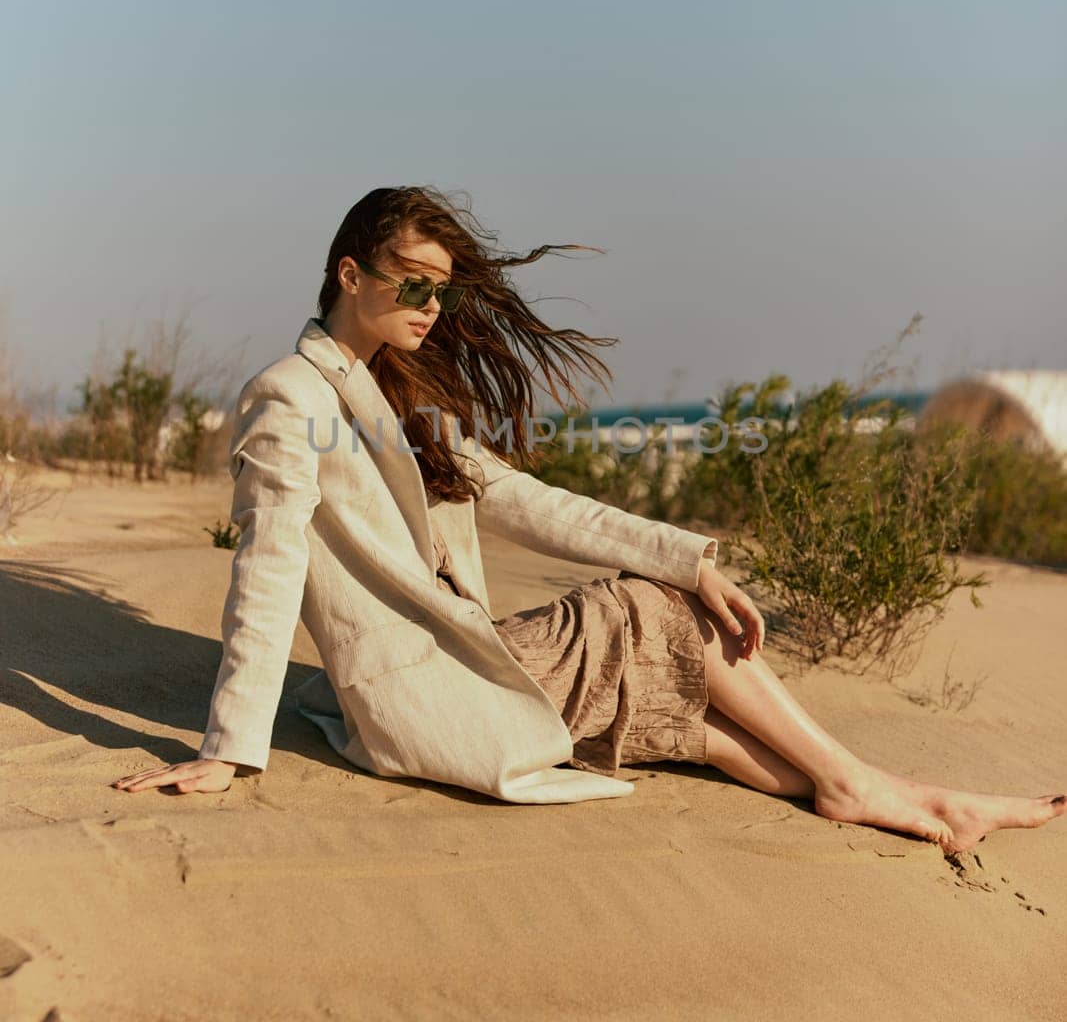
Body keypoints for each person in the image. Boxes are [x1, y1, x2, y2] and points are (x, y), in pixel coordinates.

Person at [115, 187, 1065, 852]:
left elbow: (524, 501)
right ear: (349, 272)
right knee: (649, 619)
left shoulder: (396, 392)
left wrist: (686, 556)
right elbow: (269, 566)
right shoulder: (287, 394)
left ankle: (885, 791)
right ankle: (859, 782)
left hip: (465, 651)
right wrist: (225, 748)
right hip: (418, 689)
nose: (430, 305)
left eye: (440, 288)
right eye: (412, 282)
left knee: (683, 711)